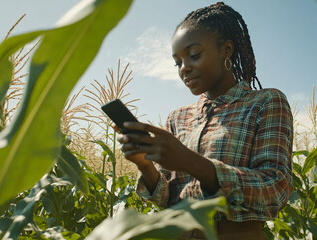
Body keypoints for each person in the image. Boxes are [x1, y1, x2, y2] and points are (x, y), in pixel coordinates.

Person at [117, 2, 293, 239]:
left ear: (226, 50)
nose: (184, 69)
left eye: (194, 55)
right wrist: (144, 164)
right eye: (177, 62)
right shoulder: (177, 118)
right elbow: (166, 199)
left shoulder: (266, 102)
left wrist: (191, 161)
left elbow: (275, 190)